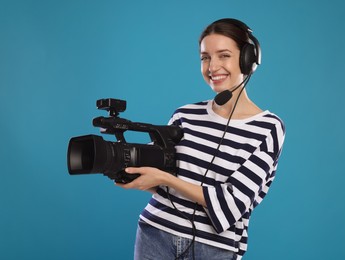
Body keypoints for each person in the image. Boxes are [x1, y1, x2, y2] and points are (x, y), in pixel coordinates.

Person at [116, 18, 286, 260]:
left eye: (223, 55)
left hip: (214, 248)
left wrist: (166, 179)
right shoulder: (185, 114)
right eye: (205, 57)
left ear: (248, 59)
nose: (212, 67)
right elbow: (160, 179)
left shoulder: (268, 128)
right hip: (155, 234)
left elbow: (231, 204)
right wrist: (132, 173)